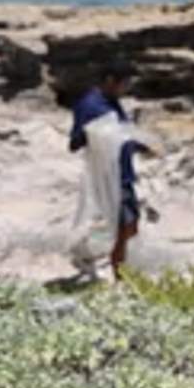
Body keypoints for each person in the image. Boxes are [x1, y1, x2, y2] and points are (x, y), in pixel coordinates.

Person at [68, 74, 150, 283]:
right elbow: (75, 143)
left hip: (123, 173)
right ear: (110, 80)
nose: (125, 90)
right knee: (120, 226)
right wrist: (95, 133)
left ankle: (98, 259)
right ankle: (116, 274)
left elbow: (122, 133)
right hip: (106, 175)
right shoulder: (89, 105)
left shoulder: (112, 101)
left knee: (130, 226)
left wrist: (141, 145)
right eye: (124, 85)